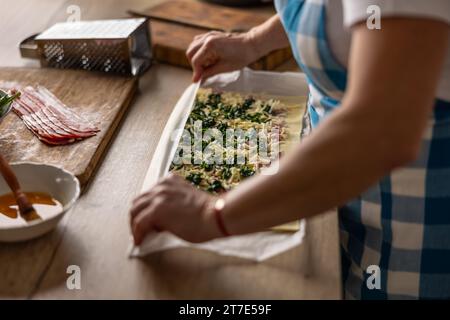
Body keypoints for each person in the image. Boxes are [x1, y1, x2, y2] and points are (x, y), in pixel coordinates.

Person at [130, 0, 450, 299]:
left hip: (409, 230)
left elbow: (381, 131)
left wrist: (211, 215)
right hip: (335, 198)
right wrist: (254, 42)